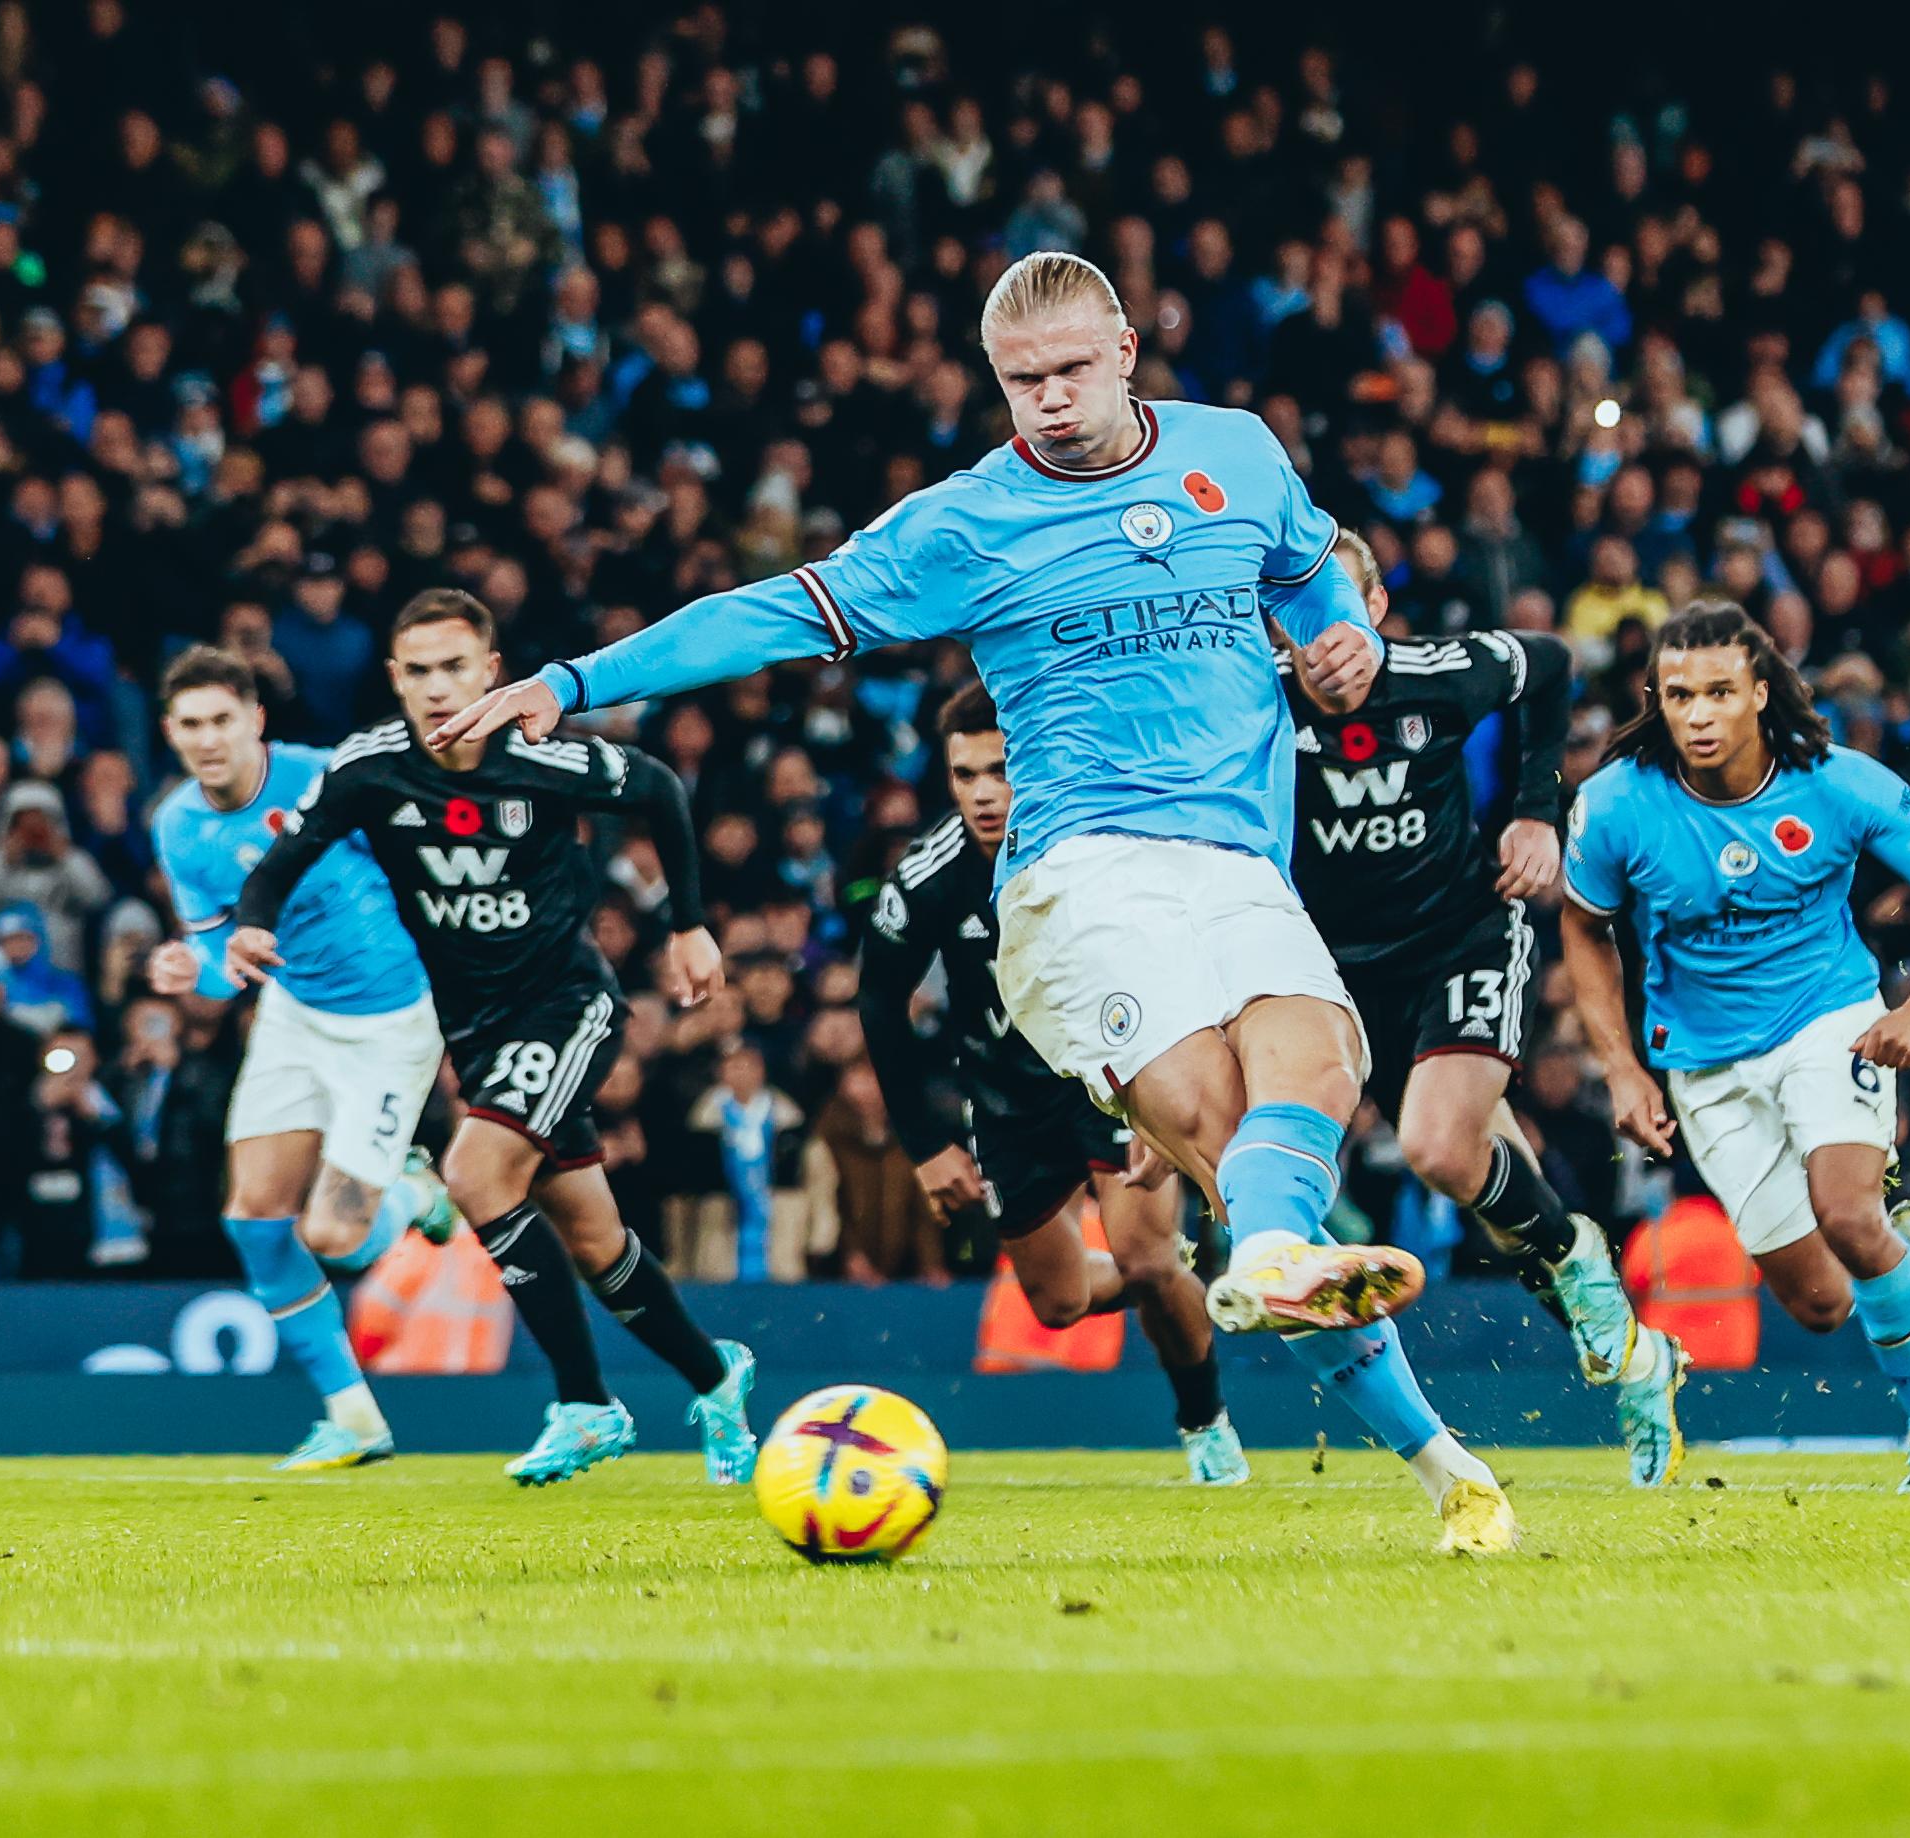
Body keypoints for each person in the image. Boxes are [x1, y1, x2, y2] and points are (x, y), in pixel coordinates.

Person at [429, 252, 1514, 1552]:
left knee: (1320, 1062)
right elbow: (771, 612)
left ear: (1122, 347)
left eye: (1068, 370)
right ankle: (1291, 1274)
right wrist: (571, 677)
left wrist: (1345, 637)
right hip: (1080, 874)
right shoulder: (965, 520)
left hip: (1235, 860)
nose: (1048, 400)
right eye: (1020, 380)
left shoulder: (1237, 452)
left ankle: (1441, 1461)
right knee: (1218, 1128)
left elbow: (1305, 583)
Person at [230, 590, 755, 1488]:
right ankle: (717, 1377)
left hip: (566, 1005)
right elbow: (289, 851)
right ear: (396, 679)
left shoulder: (541, 754)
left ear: (491, 671)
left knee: (474, 1175)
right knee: (593, 1240)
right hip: (474, 1031)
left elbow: (660, 789)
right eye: (420, 672)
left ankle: (586, 1405)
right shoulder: (372, 768)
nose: (438, 688)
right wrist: (251, 922)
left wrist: (689, 925)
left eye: (455, 667)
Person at [1561, 601, 1910, 1495]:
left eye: (1720, 692)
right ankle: (1908, 1249)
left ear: (1760, 693)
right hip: (1705, 1061)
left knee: (1845, 1213)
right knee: (1819, 1304)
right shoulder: (1614, 803)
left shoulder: (1838, 782)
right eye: (1679, 693)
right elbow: (1584, 924)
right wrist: (1619, 1064)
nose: (1697, 714)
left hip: (1827, 1020)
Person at [1282, 530, 1682, 1484]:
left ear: (1376, 610)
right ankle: (1633, 1351)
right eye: (1299, 615)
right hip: (1333, 971)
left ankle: (1594, 1294)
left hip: (1462, 933)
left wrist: (1535, 811)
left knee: (1436, 1148)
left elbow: (1552, 665)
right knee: (1494, 1185)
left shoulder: (1439, 674)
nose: (1323, 641)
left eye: (1339, 610)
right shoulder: (1248, 699)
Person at [857, 681, 1245, 1484]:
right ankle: (1180, 1282)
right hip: (1005, 1104)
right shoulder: (929, 874)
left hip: (1107, 1080)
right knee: (1058, 1304)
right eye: (965, 775)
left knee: (1140, 1259)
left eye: (1000, 770)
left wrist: (1160, 1101)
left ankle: (1204, 1420)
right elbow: (877, 1000)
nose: (985, 794)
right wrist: (928, 1146)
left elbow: (1174, 957)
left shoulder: (1095, 848)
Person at [148, 646, 459, 1471]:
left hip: (392, 1021)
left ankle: (416, 1187)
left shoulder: (330, 777)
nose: (209, 739)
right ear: (170, 733)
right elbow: (223, 964)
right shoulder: (179, 826)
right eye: (191, 725)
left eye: (222, 720)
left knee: (338, 1238)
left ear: (255, 720)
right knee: (252, 1219)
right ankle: (353, 1417)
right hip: (293, 1017)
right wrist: (190, 971)